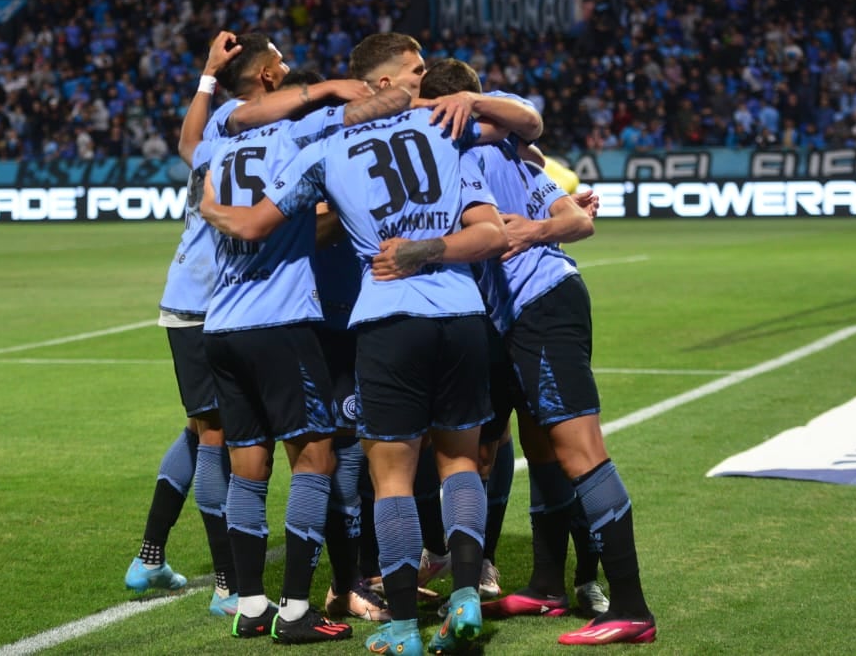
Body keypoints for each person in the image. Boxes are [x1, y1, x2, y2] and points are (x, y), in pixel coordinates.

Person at [201, 33, 533, 655]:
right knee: (460, 461)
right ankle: (466, 592)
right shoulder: (444, 121)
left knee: (391, 479)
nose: (424, 78)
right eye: (415, 70)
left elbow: (251, 225)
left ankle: (403, 625)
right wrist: (470, 98)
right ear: (385, 83)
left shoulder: (325, 144)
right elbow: (528, 125)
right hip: (463, 313)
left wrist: (212, 208)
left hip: (386, 318)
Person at [413, 59, 657, 646]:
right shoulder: (514, 153)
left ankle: (631, 607)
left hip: (541, 303)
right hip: (527, 311)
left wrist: (526, 233)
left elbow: (569, 217)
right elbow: (575, 215)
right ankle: (549, 585)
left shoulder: (474, 149)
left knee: (580, 450)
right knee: (540, 447)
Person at [200, 67, 410, 645]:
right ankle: (295, 611)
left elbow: (215, 133)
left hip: (221, 326)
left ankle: (249, 605)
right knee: (316, 460)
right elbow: (388, 104)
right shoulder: (300, 137)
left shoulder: (221, 143)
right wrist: (356, 89)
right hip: (281, 324)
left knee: (248, 463)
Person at [125, 33, 246, 612]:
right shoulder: (239, 133)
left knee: (199, 430)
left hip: (195, 298)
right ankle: (228, 586)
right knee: (216, 438)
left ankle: (149, 558)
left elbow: (186, 139)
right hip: (204, 303)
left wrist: (205, 74)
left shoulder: (213, 137)